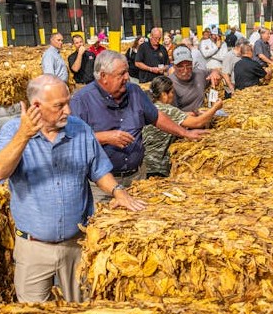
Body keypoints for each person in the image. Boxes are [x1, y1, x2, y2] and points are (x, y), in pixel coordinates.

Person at [0, 74, 146, 303]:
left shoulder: (80, 130)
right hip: (34, 248)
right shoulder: (13, 132)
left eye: (68, 102)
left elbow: (98, 169)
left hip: (76, 245)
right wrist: (24, 136)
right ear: (36, 106)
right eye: (59, 106)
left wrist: (117, 191)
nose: (68, 111)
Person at [68, 49, 207, 201]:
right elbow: (72, 140)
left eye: (127, 72)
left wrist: (184, 133)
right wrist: (105, 137)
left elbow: (156, 117)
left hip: (137, 178)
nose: (127, 77)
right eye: (121, 74)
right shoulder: (81, 101)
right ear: (103, 76)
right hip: (102, 186)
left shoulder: (134, 91)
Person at [142, 75, 223, 178]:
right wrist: (215, 108)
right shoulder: (168, 109)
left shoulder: (150, 106)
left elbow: (171, 117)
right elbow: (198, 123)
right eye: (172, 92)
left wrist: (192, 112)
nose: (173, 95)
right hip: (158, 166)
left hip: (145, 164)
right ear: (164, 94)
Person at [169, 45, 223, 112]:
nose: (185, 70)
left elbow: (215, 71)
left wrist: (215, 72)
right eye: (180, 66)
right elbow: (172, 115)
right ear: (173, 65)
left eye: (188, 65)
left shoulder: (199, 74)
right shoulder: (170, 84)